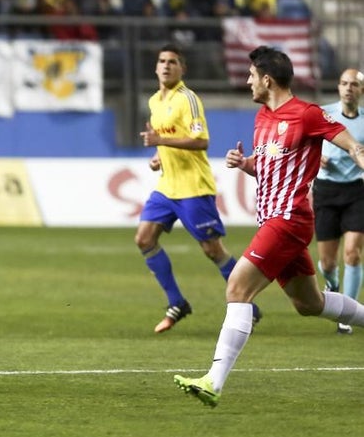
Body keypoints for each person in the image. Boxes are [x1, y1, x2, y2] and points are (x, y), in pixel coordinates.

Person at [175, 47, 364, 407]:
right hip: (273, 219)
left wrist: (360, 155)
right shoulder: (262, 117)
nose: (246, 81)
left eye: (250, 75)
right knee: (309, 303)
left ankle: (214, 380)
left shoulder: (307, 114)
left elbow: (350, 143)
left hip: (288, 219)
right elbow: (269, 167)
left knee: (237, 288)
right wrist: (245, 163)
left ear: (267, 79)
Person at [136, 44, 259, 333]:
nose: (166, 66)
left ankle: (249, 307)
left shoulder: (188, 99)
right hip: (167, 186)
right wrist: (159, 157)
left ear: (182, 69)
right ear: (156, 67)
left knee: (213, 250)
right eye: (162, 61)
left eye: (173, 62)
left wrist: (160, 143)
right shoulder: (155, 101)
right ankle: (177, 301)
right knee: (144, 239)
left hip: (194, 186)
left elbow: (201, 140)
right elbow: (168, 138)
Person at [315, 68, 364, 334]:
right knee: (328, 263)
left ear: (361, 91)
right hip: (325, 191)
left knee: (353, 253)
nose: (348, 88)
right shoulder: (324, 114)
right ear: (338, 87)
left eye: (353, 85)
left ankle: (349, 310)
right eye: (344, 83)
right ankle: (332, 286)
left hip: (355, 191)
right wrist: (316, 158)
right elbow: (306, 144)